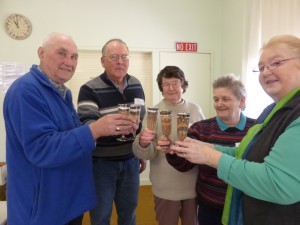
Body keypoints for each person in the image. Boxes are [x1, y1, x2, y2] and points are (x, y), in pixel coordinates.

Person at [3, 33, 137, 225]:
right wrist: (95, 130)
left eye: (74, 57)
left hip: (66, 204)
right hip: (42, 211)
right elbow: (42, 148)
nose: (69, 62)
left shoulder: (61, 92)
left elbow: (68, 138)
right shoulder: (26, 91)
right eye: (62, 54)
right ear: (41, 53)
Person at [166, 34, 300, 225]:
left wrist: (210, 156)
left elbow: (277, 182)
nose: (266, 71)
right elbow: (245, 152)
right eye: (261, 67)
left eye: (276, 62)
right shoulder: (272, 112)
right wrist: (198, 150)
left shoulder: (282, 116)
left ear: (242, 101)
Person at [165, 75, 255, 225]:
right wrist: (173, 151)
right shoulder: (200, 129)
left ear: (242, 101)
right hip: (210, 207)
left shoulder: (257, 129)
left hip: (244, 206)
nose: (219, 104)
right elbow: (184, 165)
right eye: (216, 99)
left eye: (225, 99)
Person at [77, 38, 146, 225]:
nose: (120, 61)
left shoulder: (137, 85)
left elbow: (141, 122)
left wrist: (142, 153)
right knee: (101, 216)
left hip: (131, 161)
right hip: (101, 164)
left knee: (129, 214)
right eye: (114, 57)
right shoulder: (89, 89)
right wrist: (114, 127)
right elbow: (86, 125)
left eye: (124, 56)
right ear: (103, 61)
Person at [132, 65, 205, 225]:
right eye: (166, 84)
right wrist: (145, 143)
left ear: (183, 85)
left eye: (175, 83)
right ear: (161, 88)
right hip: (165, 185)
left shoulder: (195, 110)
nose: (171, 88)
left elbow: (204, 146)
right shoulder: (153, 112)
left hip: (192, 184)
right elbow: (145, 153)